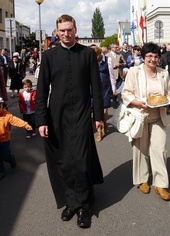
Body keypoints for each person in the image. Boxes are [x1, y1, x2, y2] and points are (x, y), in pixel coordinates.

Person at [35, 14, 104, 229]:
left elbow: (96, 88)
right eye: (62, 30)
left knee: (82, 160)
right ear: (57, 32)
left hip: (82, 114)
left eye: (69, 30)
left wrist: (98, 116)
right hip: (57, 116)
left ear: (75, 30)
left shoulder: (87, 54)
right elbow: (41, 90)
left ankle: (84, 206)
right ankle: (70, 202)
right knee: (64, 161)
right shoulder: (49, 56)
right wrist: (41, 120)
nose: (66, 34)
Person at [121, 42, 170, 201]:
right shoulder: (134, 72)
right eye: (149, 56)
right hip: (140, 116)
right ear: (143, 57)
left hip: (158, 116)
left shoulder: (163, 73)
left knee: (159, 149)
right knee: (140, 149)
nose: (152, 59)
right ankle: (142, 180)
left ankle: (160, 184)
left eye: (155, 56)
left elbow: (169, 93)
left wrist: (167, 100)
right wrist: (138, 103)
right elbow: (126, 93)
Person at [0, 97, 32, 181]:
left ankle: (11, 159)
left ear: (2, 106)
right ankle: (1, 171)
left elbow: (15, 120)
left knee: (5, 155)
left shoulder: (6, 115)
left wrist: (25, 125)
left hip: (4, 140)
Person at [92, 46, 115, 142]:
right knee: (96, 109)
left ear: (100, 54)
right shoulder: (91, 61)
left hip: (105, 88)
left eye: (96, 56)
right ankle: (99, 132)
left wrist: (114, 88)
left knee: (105, 110)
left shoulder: (107, 60)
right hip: (94, 88)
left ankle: (104, 122)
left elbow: (111, 74)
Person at [106, 44, 126, 108]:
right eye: (116, 47)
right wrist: (114, 66)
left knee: (119, 89)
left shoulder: (119, 55)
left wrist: (120, 64)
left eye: (117, 47)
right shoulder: (107, 55)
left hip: (119, 74)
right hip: (112, 74)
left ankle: (120, 101)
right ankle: (114, 102)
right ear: (112, 48)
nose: (117, 48)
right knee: (113, 89)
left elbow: (125, 63)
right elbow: (106, 66)